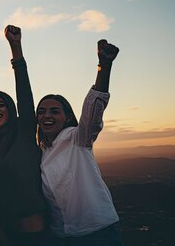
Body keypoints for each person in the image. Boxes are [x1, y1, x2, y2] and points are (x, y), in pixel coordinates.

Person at [37, 40, 122, 245]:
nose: (47, 115)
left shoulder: (77, 139)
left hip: (97, 233)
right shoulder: (41, 151)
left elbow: (92, 111)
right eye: (41, 112)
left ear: (67, 117)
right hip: (61, 235)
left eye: (54, 111)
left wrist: (104, 67)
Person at [0, 25, 48, 245]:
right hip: (5, 237)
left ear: (10, 108)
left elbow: (25, 96)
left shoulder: (24, 132)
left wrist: (16, 48)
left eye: (0, 104)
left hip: (38, 237)